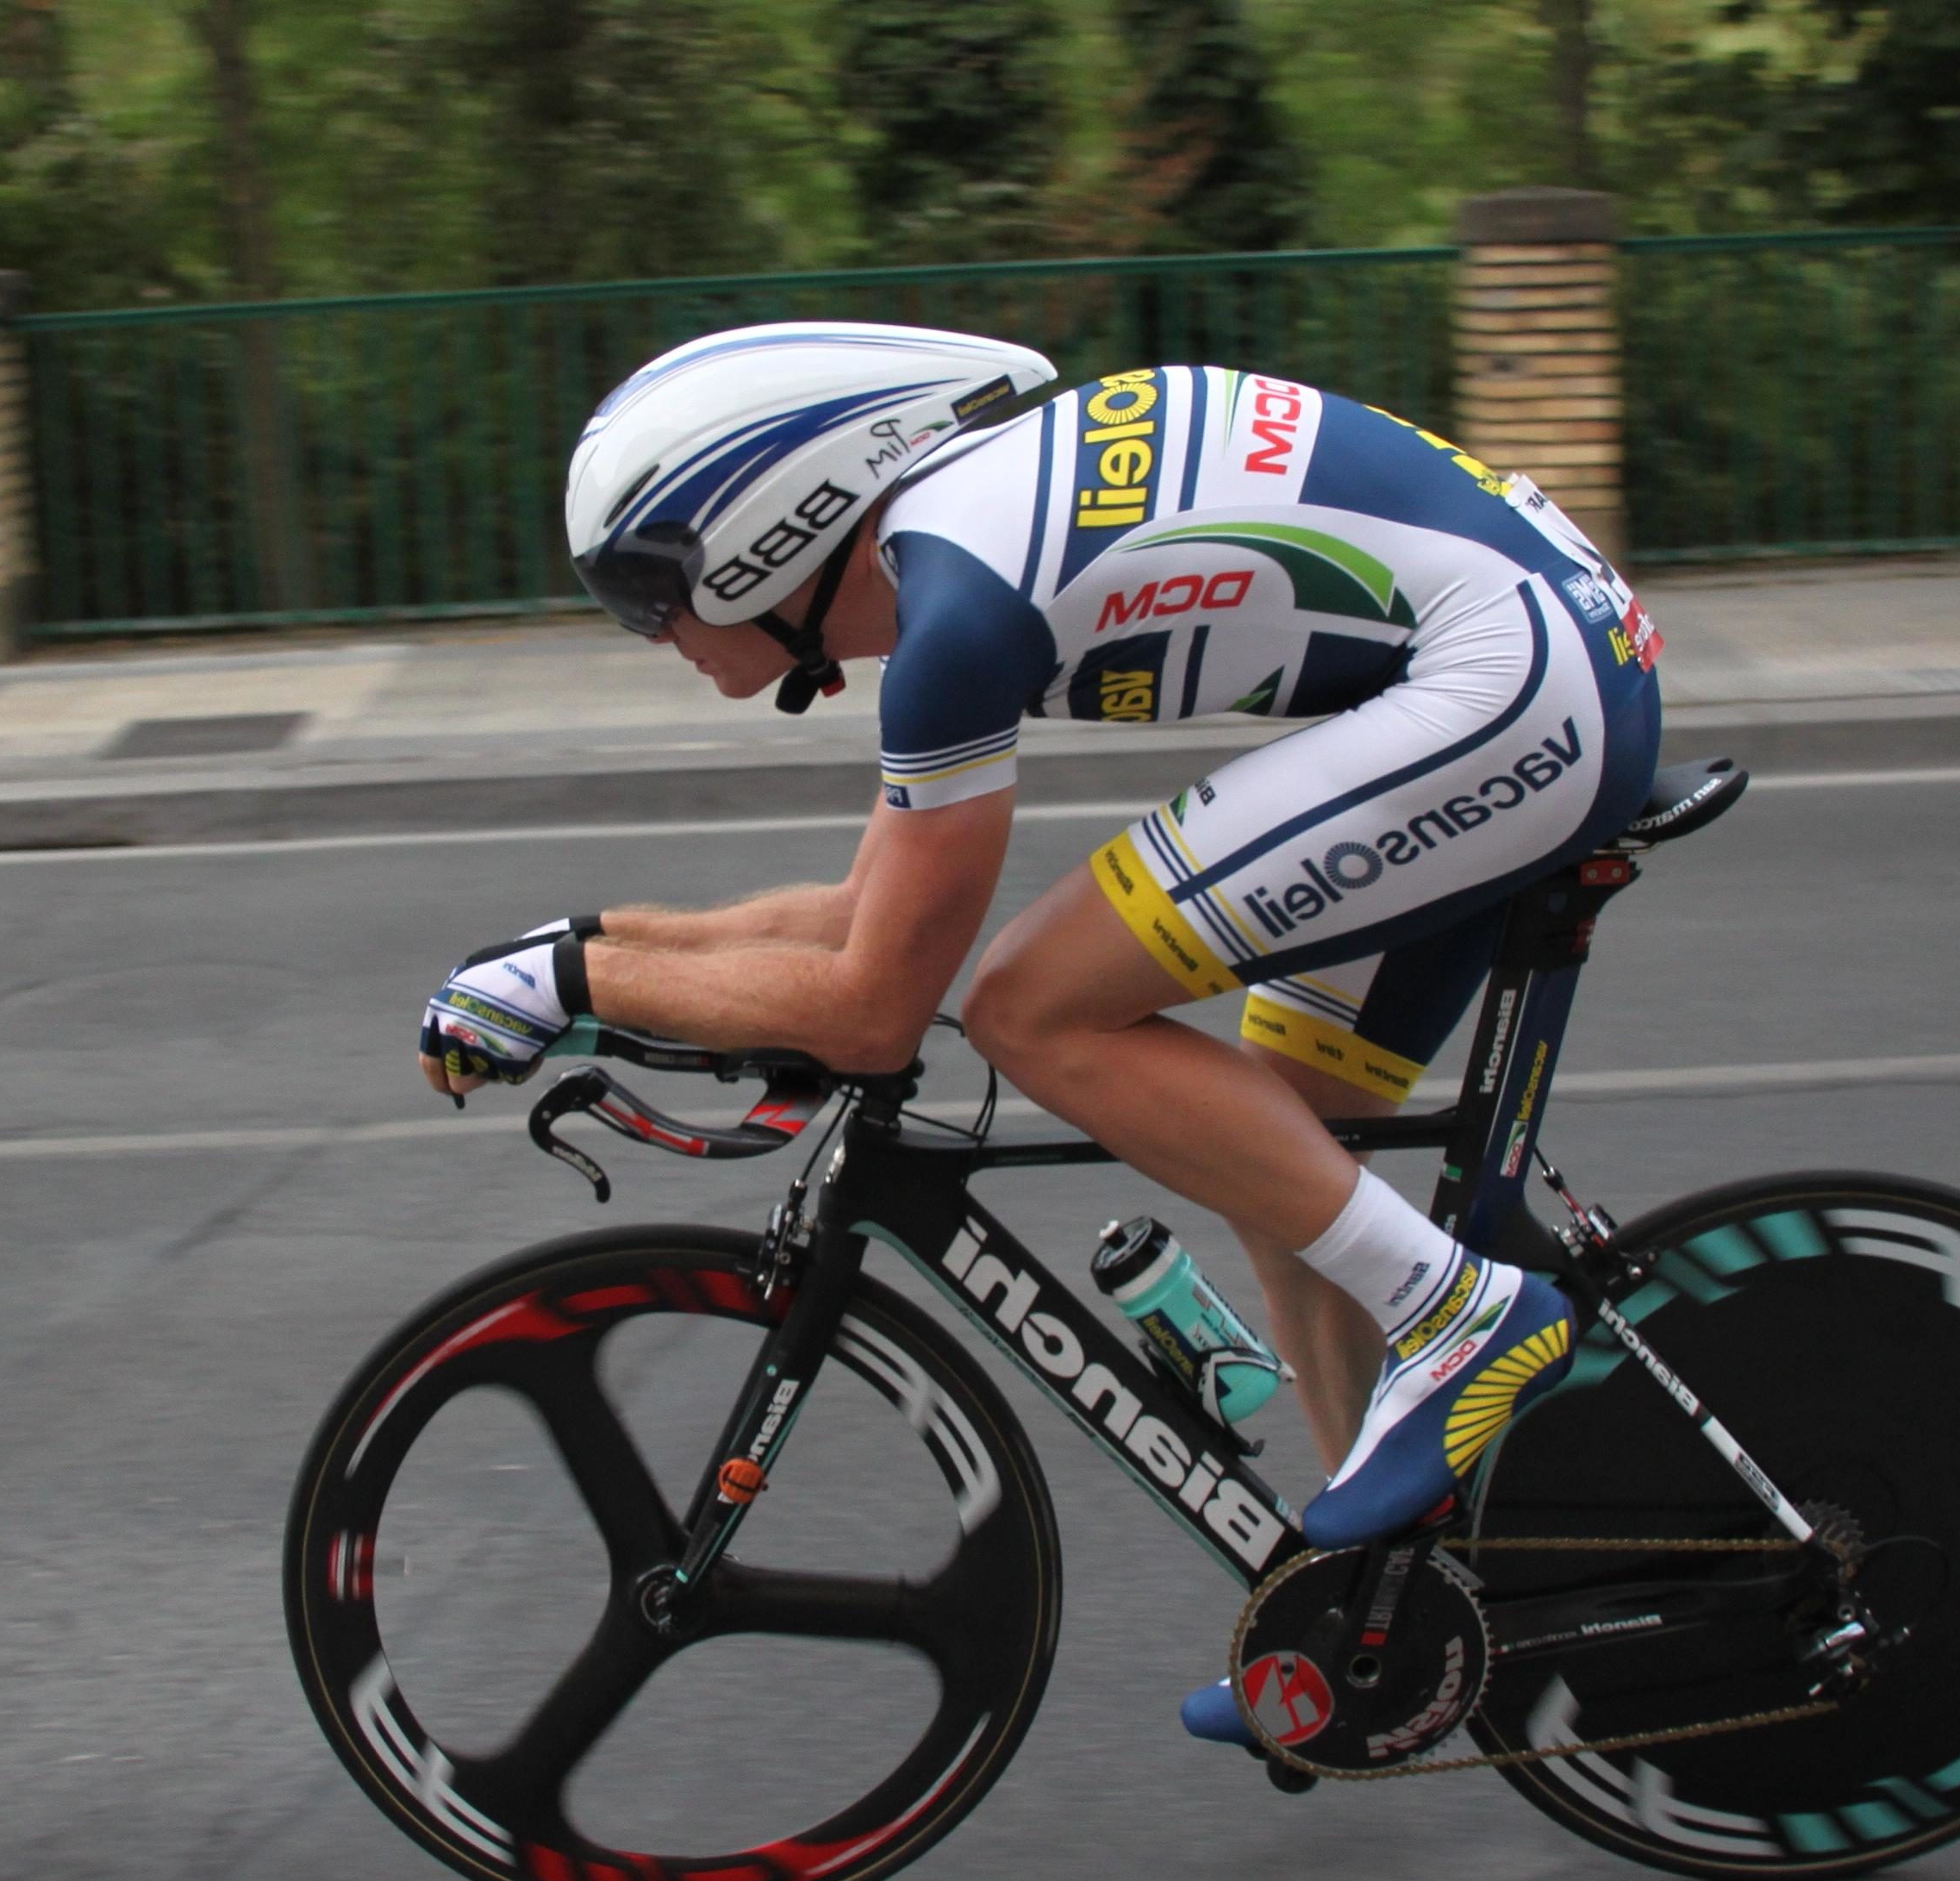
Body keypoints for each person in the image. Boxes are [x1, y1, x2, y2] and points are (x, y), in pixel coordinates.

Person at [415, 322, 1664, 1744]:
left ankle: (1460, 1312)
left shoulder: (960, 609)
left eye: (650, 595)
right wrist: (587, 955)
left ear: (767, 526)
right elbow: (852, 917)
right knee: (1279, 1148)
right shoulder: (965, 538)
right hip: (1533, 654)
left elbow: (879, 1010)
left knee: (1025, 1005)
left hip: (1512, 684)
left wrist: (577, 989)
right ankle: (1378, 1603)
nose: (657, 639)